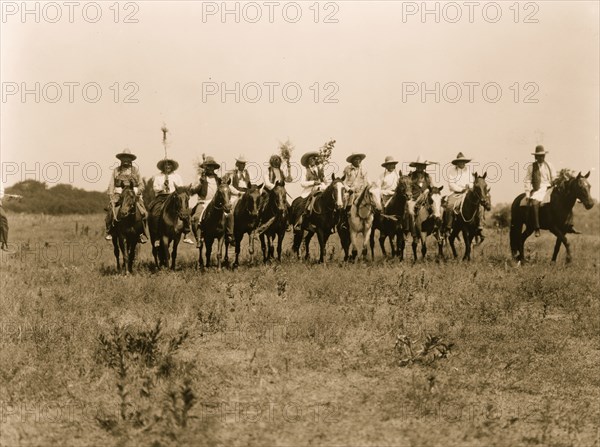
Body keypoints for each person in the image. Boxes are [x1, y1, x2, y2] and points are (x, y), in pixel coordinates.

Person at [105, 149, 149, 243]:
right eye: (123, 158)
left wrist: (137, 191)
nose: (125, 160)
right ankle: (110, 231)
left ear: (131, 160)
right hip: (119, 194)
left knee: (143, 213)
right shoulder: (116, 171)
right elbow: (111, 184)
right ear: (120, 159)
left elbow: (141, 184)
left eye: (128, 158)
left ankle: (141, 233)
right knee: (110, 211)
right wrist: (111, 194)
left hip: (133, 194)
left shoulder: (135, 171)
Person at [150, 158, 194, 246]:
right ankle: (157, 237)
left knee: (184, 210)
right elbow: (155, 188)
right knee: (155, 213)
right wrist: (163, 186)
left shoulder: (177, 176)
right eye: (166, 165)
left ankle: (186, 233)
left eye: (169, 165)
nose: (167, 166)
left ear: (172, 166)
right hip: (162, 197)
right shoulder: (158, 176)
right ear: (163, 166)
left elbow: (181, 189)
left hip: (174, 197)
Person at [524, 145, 555, 237]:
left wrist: (555, 182)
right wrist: (527, 193)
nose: (541, 157)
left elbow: (554, 177)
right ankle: (537, 227)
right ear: (535, 157)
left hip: (549, 188)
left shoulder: (549, 165)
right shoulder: (531, 167)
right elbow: (528, 180)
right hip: (538, 189)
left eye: (543, 155)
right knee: (534, 203)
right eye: (539, 156)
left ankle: (566, 224)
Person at [190, 156, 222, 247]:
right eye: (208, 166)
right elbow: (193, 190)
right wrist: (200, 183)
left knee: (228, 216)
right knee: (196, 218)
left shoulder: (218, 179)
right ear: (205, 167)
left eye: (212, 166)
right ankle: (199, 239)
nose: (210, 168)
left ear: (214, 168)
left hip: (215, 203)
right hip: (204, 202)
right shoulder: (200, 178)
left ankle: (229, 236)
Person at [293, 151, 328, 231]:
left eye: (314, 158)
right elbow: (302, 183)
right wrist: (313, 182)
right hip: (309, 190)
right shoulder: (305, 170)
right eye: (310, 159)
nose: (312, 160)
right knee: (303, 204)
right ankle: (299, 222)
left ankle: (332, 224)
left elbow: (325, 181)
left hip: (321, 189)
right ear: (307, 161)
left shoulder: (320, 169)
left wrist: (324, 184)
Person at [223, 155, 252, 243]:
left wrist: (248, 193)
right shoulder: (232, 173)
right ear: (237, 164)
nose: (242, 166)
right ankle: (230, 232)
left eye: (243, 164)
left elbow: (251, 185)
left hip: (246, 195)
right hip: (236, 195)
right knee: (230, 211)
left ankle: (254, 229)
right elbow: (229, 186)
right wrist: (238, 192)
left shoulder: (248, 173)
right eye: (240, 164)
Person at [444, 152, 474, 232]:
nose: (461, 163)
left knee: (478, 205)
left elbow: (472, 181)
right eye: (460, 162)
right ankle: (448, 226)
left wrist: (469, 186)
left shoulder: (468, 171)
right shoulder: (452, 171)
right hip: (456, 193)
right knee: (450, 206)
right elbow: (451, 184)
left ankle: (478, 225)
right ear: (457, 163)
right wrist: (461, 189)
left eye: (463, 161)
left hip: (468, 192)